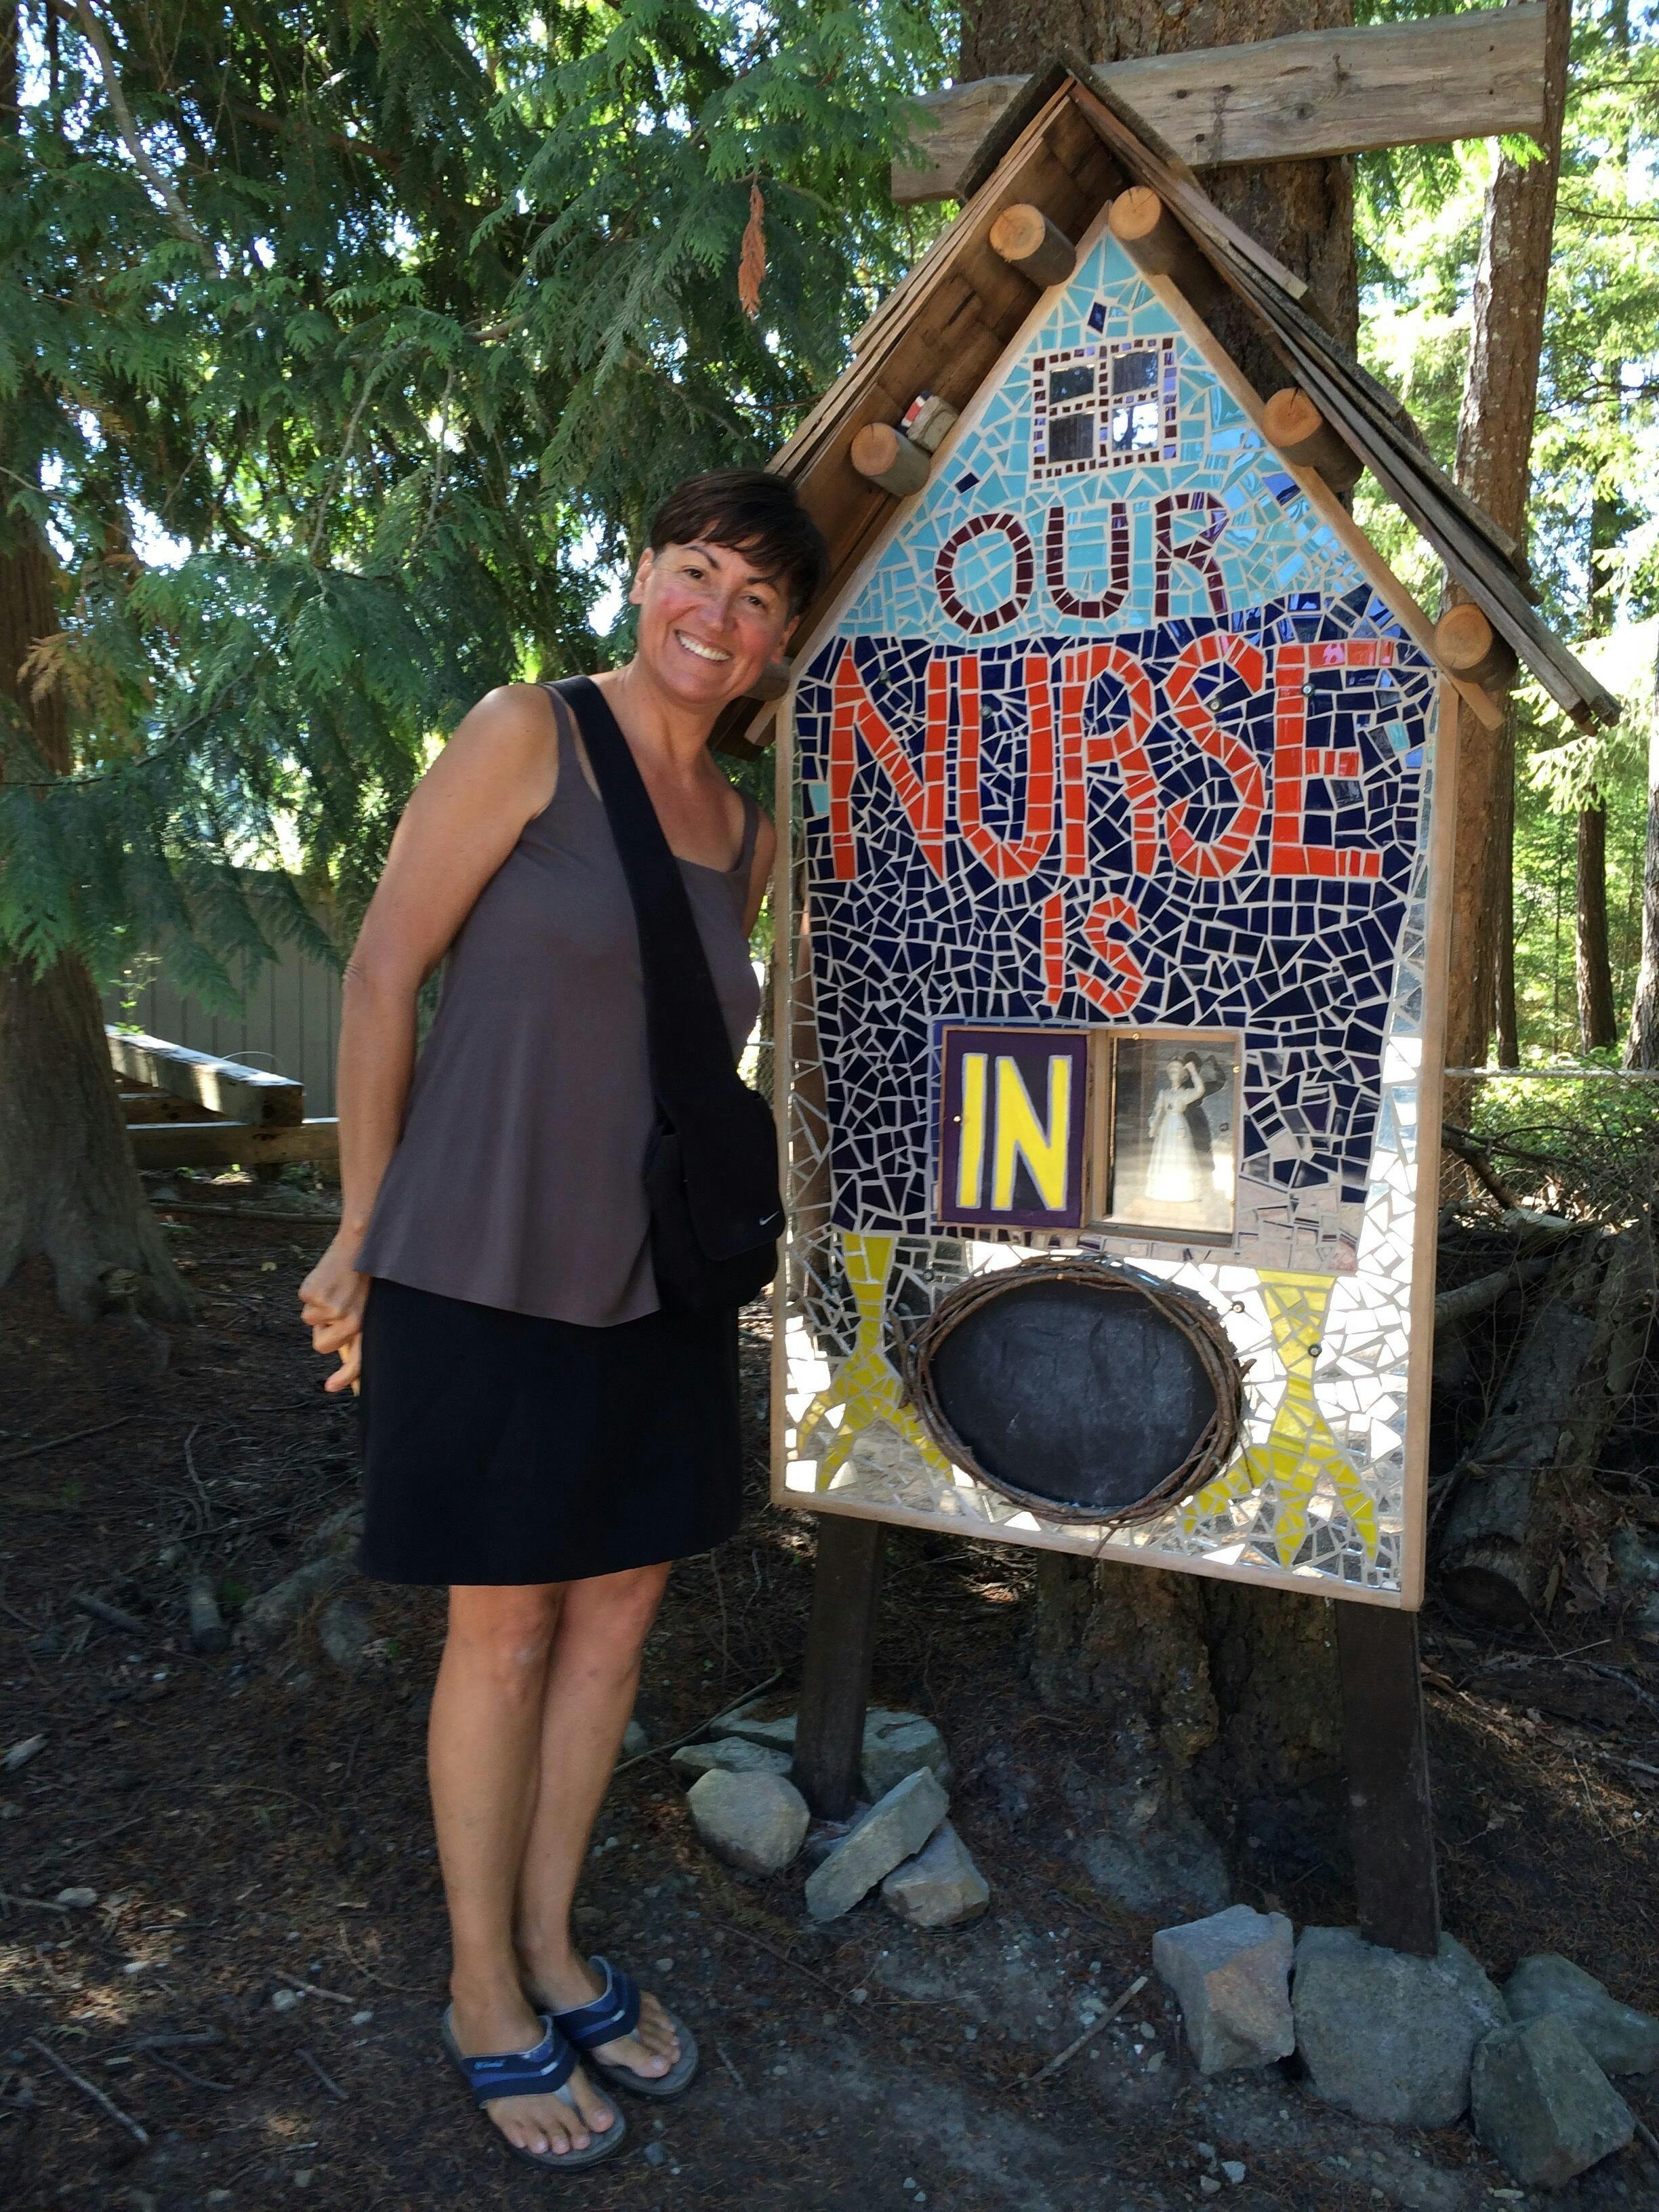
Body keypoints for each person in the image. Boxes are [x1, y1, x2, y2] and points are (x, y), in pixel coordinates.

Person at [296, 470, 825, 2172]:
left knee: (615, 1623)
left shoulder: (743, 830)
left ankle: (549, 1944)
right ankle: (477, 1989)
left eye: (755, 599)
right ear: (644, 573)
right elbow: (384, 972)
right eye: (696, 572)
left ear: (778, 640)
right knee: (505, 1629)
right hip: (480, 1256)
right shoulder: (526, 731)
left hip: (656, 1280)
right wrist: (362, 1228)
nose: (715, 616)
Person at [1145, 1054, 1208, 1206]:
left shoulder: (1185, 1093)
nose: (1174, 1072)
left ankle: (1184, 1192)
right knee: (1165, 1154)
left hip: (1179, 1125)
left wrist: (1193, 1072)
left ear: (1183, 1074)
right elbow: (1158, 1110)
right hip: (1166, 1127)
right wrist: (1153, 1124)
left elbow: (1200, 1090)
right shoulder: (1164, 1093)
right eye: (1171, 1069)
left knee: (1182, 1155)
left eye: (1177, 1070)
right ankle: (1162, 1190)